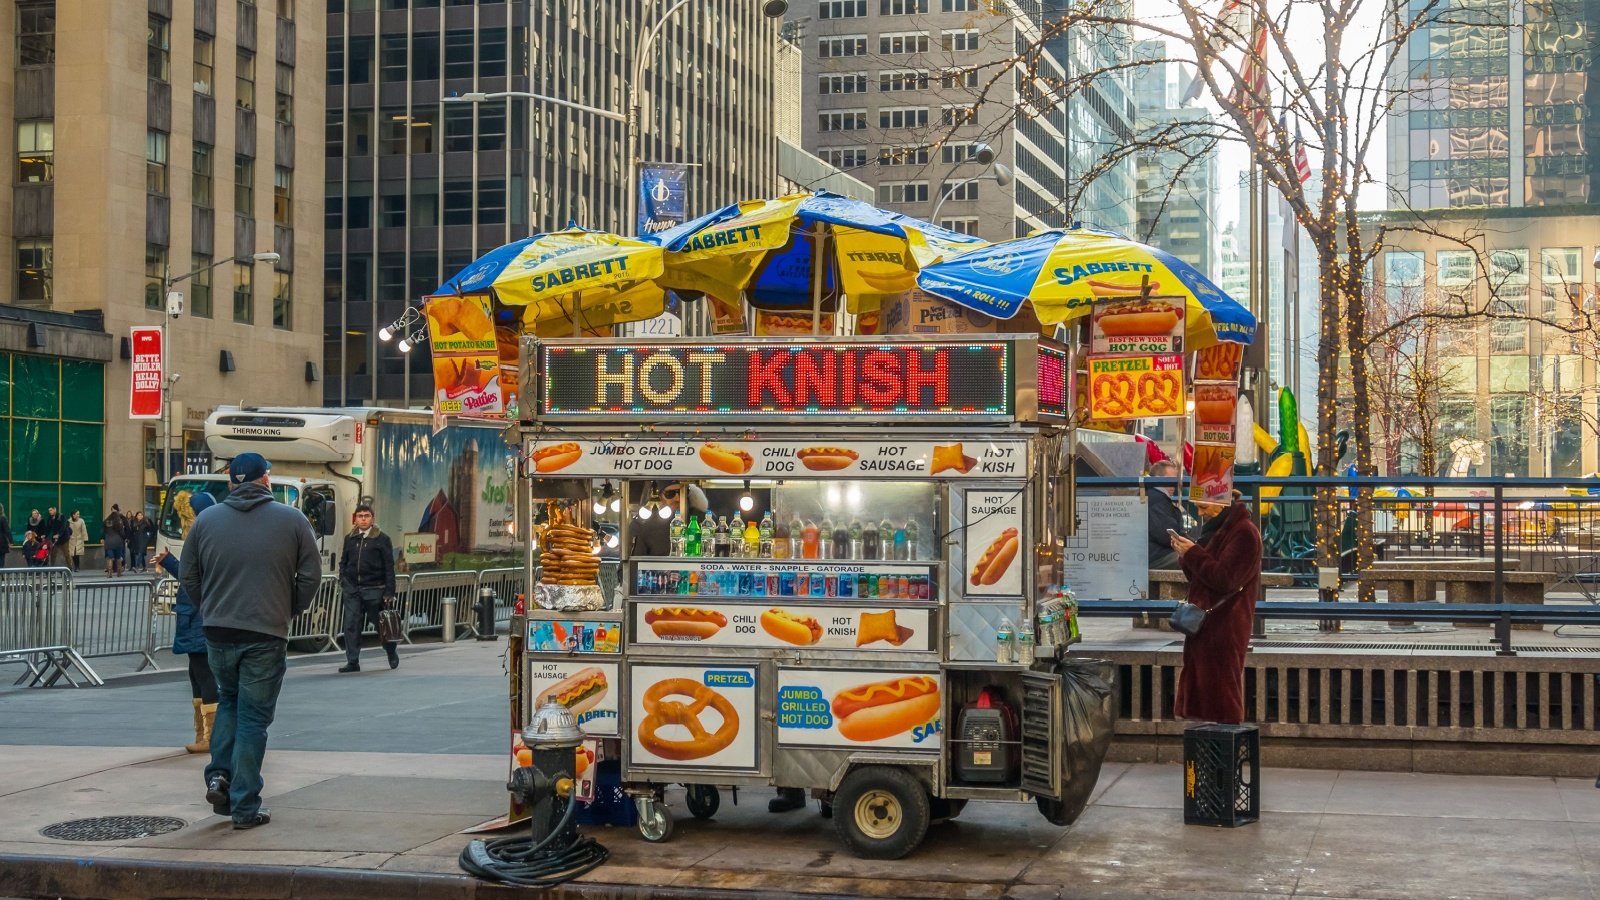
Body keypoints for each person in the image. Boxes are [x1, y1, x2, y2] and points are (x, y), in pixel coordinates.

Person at [180, 452, 321, 830]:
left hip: (218, 631)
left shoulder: (206, 520)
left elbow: (189, 577)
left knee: (229, 700)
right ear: (265, 480)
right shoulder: (292, 520)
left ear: (231, 483)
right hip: (265, 631)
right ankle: (244, 805)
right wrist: (288, 609)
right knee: (254, 719)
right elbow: (310, 576)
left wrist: (210, 608)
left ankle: (219, 776)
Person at [1169, 491, 1262, 724]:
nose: (1200, 514)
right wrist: (1186, 555)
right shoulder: (1217, 530)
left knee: (1222, 692)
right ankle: (1209, 745)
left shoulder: (1244, 533)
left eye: (1203, 507)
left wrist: (1192, 553)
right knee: (1208, 692)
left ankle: (1223, 746)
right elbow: (1201, 577)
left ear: (1219, 504)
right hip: (1208, 623)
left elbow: (1225, 578)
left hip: (1225, 624)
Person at [158, 492, 219, 753]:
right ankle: (203, 735)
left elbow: (195, 577)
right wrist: (169, 562)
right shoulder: (205, 541)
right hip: (195, 615)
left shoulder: (206, 542)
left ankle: (210, 737)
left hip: (199, 616)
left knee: (203, 674)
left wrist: (170, 562)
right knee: (197, 675)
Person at [338, 503, 399, 673]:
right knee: (351, 625)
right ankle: (352, 661)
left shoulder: (382, 539)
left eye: (366, 516)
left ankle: (391, 650)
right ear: (355, 519)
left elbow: (389, 566)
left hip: (374, 589)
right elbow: (344, 560)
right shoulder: (350, 538)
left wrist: (389, 591)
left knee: (380, 625)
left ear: (372, 519)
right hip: (352, 590)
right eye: (360, 516)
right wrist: (343, 578)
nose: (363, 519)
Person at [1146, 460, 1189, 570]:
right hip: (1156, 556)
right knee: (1193, 559)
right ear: (1158, 479)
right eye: (1170, 480)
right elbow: (1166, 536)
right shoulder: (1157, 499)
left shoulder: (1153, 496)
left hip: (1153, 553)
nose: (1174, 485)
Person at [103, 505, 128, 576]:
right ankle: (119, 573)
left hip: (108, 541)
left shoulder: (107, 521)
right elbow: (122, 532)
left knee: (110, 557)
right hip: (118, 541)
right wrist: (124, 538)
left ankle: (110, 572)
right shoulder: (119, 521)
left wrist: (103, 538)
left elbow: (103, 531)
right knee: (118, 557)